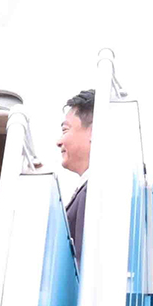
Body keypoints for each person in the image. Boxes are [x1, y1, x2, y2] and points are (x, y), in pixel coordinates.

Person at [58, 89, 94, 262]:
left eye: (65, 130)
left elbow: (81, 265)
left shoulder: (94, 192)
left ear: (94, 132)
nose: (58, 142)